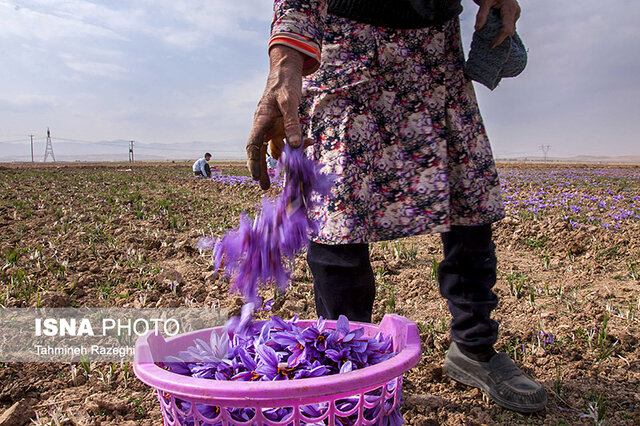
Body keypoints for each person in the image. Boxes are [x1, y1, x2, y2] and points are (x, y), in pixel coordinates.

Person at [246, 0, 546, 413]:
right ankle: (347, 370)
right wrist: (284, 67)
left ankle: (473, 350)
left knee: (467, 205)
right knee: (338, 216)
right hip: (349, 48)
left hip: (432, 54)